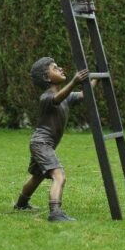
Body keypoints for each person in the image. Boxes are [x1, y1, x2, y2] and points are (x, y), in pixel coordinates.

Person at [14, 57, 97, 222]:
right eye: (55, 68)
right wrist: (74, 81)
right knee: (59, 175)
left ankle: (21, 204)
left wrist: (97, 77)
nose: (60, 69)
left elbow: (84, 95)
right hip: (42, 143)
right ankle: (55, 212)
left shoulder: (66, 96)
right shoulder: (46, 98)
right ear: (47, 77)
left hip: (42, 144)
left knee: (37, 176)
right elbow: (57, 99)